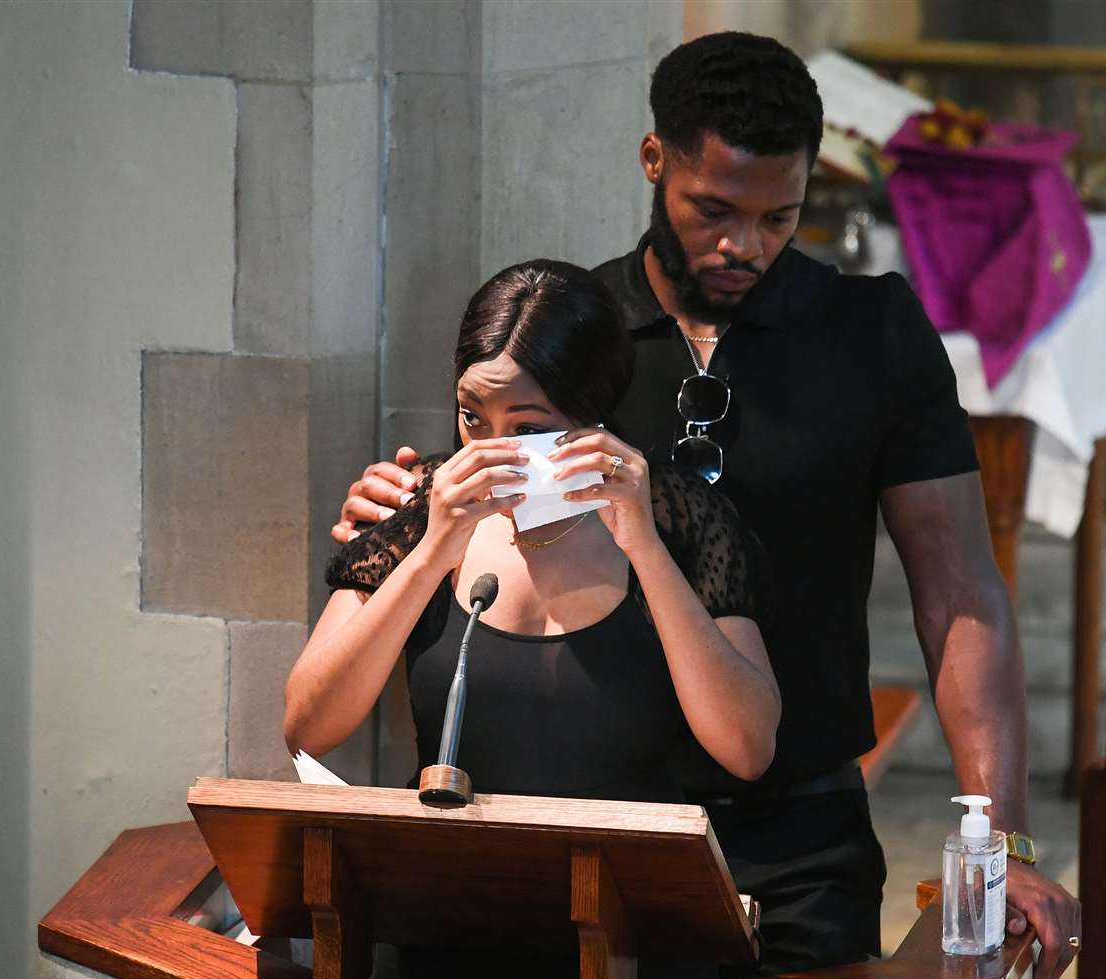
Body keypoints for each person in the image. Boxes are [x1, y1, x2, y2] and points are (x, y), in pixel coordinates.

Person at [333, 32, 1081, 979]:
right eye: (713, 210)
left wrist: (1003, 837)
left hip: (798, 832)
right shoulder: (572, 327)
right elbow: (473, 481)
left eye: (781, 217)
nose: (746, 247)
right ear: (656, 162)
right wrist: (395, 508)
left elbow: (962, 594)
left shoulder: (873, 333)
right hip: (592, 830)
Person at [286, 259, 782, 809]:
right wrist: (430, 555)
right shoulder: (422, 501)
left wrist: (644, 547)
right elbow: (307, 729)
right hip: (446, 866)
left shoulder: (677, 515)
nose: (493, 453)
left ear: (594, 415)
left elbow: (748, 748)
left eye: (529, 430)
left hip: (624, 873)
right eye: (473, 418)